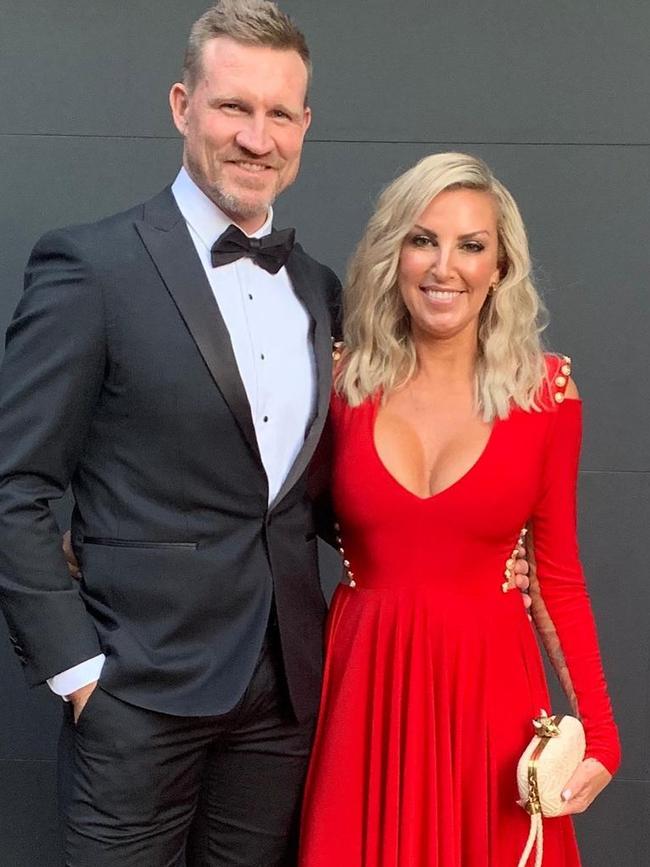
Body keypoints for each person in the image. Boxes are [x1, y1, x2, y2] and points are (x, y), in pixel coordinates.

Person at [0, 3, 531, 864]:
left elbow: (337, 484)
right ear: (182, 106)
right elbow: (14, 484)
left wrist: (466, 533)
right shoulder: (91, 267)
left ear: (305, 126)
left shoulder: (321, 291)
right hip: (138, 694)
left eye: (279, 113)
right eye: (231, 107)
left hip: (287, 702)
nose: (257, 137)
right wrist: (80, 673)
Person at [298, 152, 621, 866]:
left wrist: (600, 732)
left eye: (471, 245)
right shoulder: (340, 381)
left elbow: (558, 576)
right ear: (395, 254)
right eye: (424, 239)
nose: (445, 266)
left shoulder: (547, 392)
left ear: (499, 266)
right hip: (366, 696)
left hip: (493, 705)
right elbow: (264, 512)